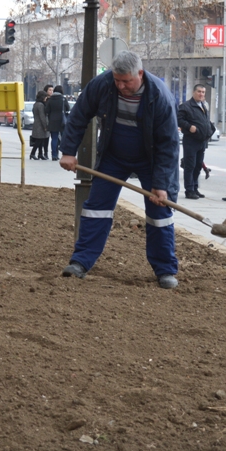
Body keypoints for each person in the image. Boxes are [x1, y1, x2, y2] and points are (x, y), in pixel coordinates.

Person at [58, 50, 180, 290]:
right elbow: (79, 114)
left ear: (140, 74)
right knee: (96, 210)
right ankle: (80, 262)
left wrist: (161, 185)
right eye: (117, 80)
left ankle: (165, 270)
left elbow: (168, 144)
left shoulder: (160, 96)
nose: (121, 86)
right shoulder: (103, 85)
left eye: (127, 81)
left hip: (152, 160)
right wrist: (68, 151)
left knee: (160, 215)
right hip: (114, 156)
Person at [177, 84, 214, 199]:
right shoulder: (186, 106)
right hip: (191, 141)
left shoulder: (203, 106)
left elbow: (205, 121)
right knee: (190, 166)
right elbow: (178, 119)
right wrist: (189, 127)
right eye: (199, 91)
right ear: (194, 92)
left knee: (198, 166)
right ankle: (189, 190)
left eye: (203, 92)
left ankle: (195, 188)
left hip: (201, 141)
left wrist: (210, 130)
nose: (201, 94)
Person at [45, 85, 70, 160]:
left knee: (54, 138)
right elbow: (68, 108)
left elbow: (46, 111)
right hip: (62, 121)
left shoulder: (50, 99)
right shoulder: (63, 99)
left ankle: (54, 155)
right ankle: (64, 154)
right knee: (63, 138)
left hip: (52, 121)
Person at [30, 90, 50, 160]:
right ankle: (32, 153)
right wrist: (45, 126)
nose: (46, 98)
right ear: (42, 97)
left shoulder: (36, 104)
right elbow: (42, 116)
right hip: (40, 125)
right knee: (39, 140)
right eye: (45, 97)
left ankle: (40, 154)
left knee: (41, 140)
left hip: (36, 123)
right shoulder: (41, 105)